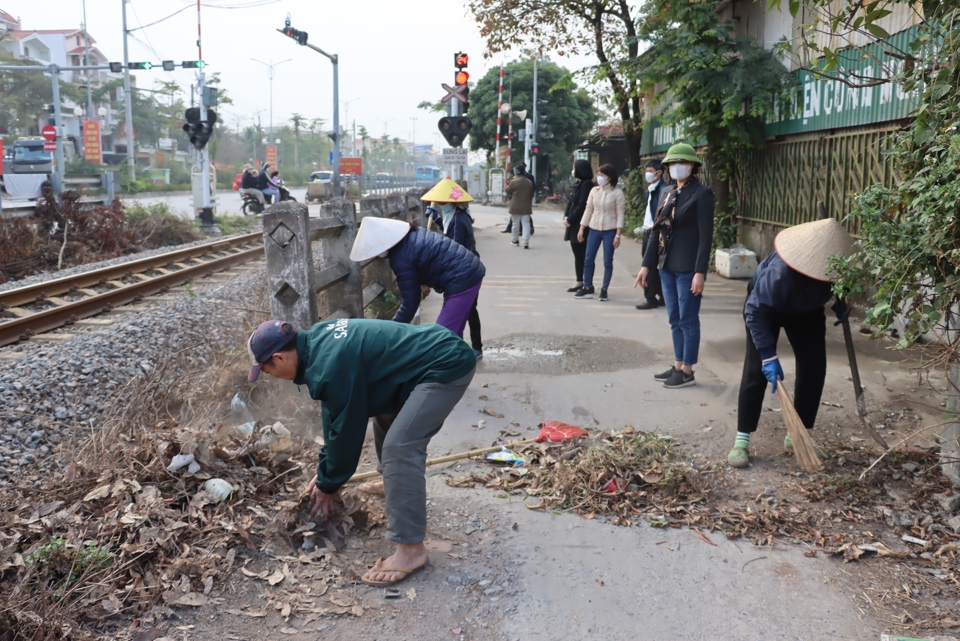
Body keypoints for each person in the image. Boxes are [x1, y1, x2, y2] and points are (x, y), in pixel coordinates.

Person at [247, 318, 476, 586]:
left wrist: (329, 483)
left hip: (445, 364)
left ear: (279, 358)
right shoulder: (318, 344)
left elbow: (347, 432)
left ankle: (411, 550)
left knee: (400, 448)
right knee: (386, 415)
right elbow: (333, 412)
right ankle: (393, 483)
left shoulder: (330, 365)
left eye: (267, 370)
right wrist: (325, 473)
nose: (270, 377)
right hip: (424, 359)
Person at [728, 218, 854, 468]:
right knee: (756, 371)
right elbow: (755, 311)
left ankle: (799, 434)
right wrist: (768, 356)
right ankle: (742, 438)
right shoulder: (779, 275)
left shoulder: (838, 264)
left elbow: (841, 285)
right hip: (766, 311)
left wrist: (841, 300)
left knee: (814, 368)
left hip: (807, 313)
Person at [350, 179, 485, 338]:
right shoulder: (410, 237)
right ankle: (459, 360)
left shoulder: (401, 258)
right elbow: (424, 263)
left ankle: (452, 359)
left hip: (462, 277)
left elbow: (410, 304)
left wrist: (390, 331)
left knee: (442, 335)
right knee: (453, 332)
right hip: (466, 271)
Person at [635, 143, 714, 389]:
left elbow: (705, 236)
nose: (677, 167)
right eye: (673, 163)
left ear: (692, 166)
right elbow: (656, 230)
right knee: (674, 318)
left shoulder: (702, 194)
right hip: (665, 264)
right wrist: (646, 265)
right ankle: (678, 364)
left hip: (689, 267)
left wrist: (700, 272)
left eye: (683, 163)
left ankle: (688, 370)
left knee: (688, 318)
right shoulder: (666, 192)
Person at [435, 188, 483, 360]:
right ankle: (467, 346)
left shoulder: (458, 220)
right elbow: (450, 232)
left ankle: (476, 347)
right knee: (468, 310)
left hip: (466, 270)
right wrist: (438, 219)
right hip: (466, 267)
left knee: (469, 310)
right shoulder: (456, 216)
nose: (441, 205)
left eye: (442, 202)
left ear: (451, 202)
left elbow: (454, 246)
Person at [574, 164, 626, 302]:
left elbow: (621, 214)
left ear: (610, 177)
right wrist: (582, 228)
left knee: (608, 261)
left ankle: (604, 289)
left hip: (610, 230)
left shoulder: (617, 193)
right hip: (594, 228)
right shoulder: (594, 191)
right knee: (588, 259)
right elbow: (588, 209)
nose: (599, 177)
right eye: (598, 174)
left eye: (602, 175)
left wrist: (618, 234)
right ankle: (587, 286)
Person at [636, 159, 667, 310]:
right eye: (646, 170)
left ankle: (650, 298)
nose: (647, 174)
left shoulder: (664, 190)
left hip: (656, 233)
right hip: (648, 232)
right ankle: (660, 296)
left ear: (659, 172)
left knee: (648, 265)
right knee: (652, 266)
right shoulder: (650, 189)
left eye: (649, 171)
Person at [562, 159, 594, 292]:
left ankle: (587, 282)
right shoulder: (578, 184)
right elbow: (571, 202)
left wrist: (570, 219)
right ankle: (579, 281)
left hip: (581, 224)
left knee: (583, 254)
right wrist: (565, 216)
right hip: (573, 223)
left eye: (574, 167)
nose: (573, 170)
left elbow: (582, 205)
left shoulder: (587, 185)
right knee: (577, 254)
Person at [505, 165, 534, 248]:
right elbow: (531, 194)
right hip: (526, 206)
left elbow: (508, 190)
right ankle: (526, 242)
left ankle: (515, 240)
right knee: (526, 224)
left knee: (515, 224)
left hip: (515, 206)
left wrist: (508, 183)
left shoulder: (514, 181)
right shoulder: (529, 182)